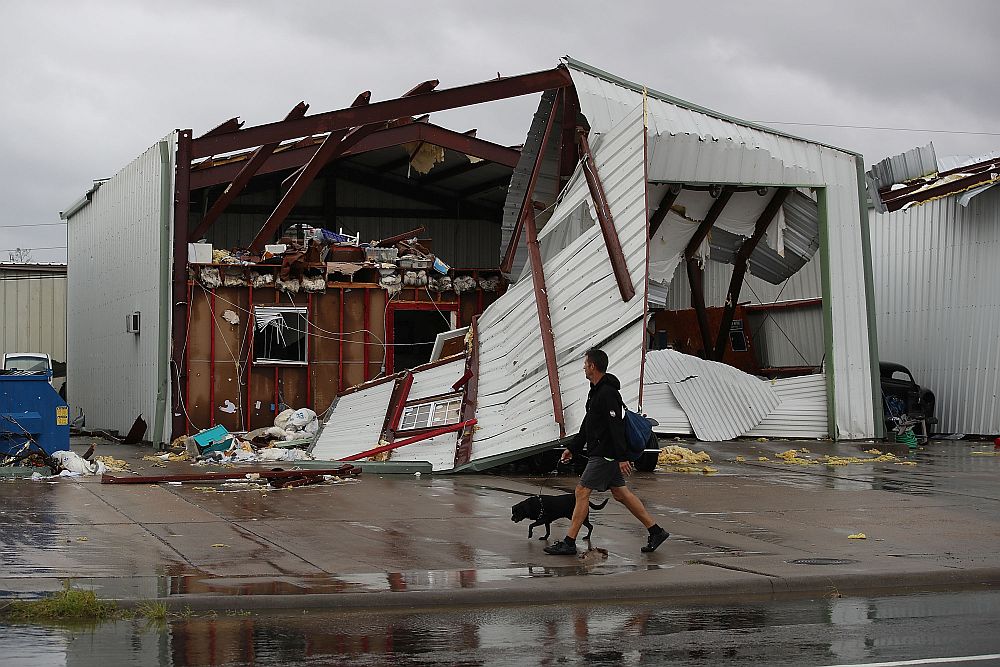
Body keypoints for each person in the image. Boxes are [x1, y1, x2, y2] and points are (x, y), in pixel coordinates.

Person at [544, 348, 669, 555]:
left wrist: (621, 457)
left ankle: (569, 542)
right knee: (621, 494)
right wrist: (572, 448)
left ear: (593, 366)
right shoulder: (595, 392)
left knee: (582, 491)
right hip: (604, 453)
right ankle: (656, 531)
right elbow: (588, 425)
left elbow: (616, 426)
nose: (583, 367)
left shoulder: (609, 393)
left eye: (585, 364)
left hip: (606, 454)